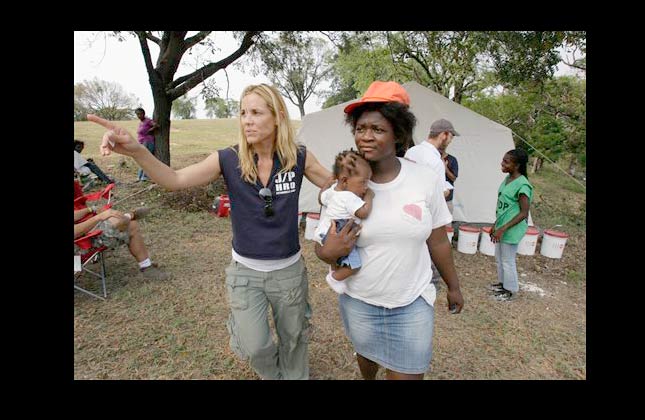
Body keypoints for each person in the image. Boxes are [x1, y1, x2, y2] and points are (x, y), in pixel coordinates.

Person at [87, 83, 332, 380]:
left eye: (256, 112)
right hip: (246, 273)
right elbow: (175, 179)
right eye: (243, 113)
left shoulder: (298, 157)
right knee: (255, 347)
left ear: (278, 115)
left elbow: (334, 185)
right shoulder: (227, 158)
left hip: (289, 271)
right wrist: (138, 151)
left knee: (294, 339)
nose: (247, 120)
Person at [315, 81, 464, 380]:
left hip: (411, 302)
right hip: (360, 301)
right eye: (360, 128)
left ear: (399, 134)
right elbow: (323, 242)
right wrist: (327, 253)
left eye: (378, 129)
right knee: (367, 358)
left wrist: (454, 286)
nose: (366, 137)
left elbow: (437, 241)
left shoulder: (424, 179)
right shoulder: (343, 186)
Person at [404, 118, 460, 290]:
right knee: (432, 251)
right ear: (444, 135)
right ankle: (430, 286)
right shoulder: (435, 160)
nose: (450, 141)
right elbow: (438, 194)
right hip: (427, 215)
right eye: (450, 137)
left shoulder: (412, 152)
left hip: (407, 210)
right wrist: (445, 191)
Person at [314, 149, 373, 289]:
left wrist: (327, 184)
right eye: (363, 183)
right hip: (342, 228)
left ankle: (334, 268)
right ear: (345, 181)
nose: (365, 188)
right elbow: (363, 213)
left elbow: (321, 198)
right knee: (355, 265)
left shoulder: (333, 191)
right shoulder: (349, 197)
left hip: (326, 231)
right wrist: (369, 196)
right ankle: (334, 279)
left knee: (340, 258)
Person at [74, 205, 169, 281]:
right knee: (131, 226)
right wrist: (98, 217)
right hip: (79, 250)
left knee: (121, 222)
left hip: (81, 238)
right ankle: (128, 216)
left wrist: (91, 209)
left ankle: (127, 218)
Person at [489, 149, 533, 301]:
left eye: (506, 162)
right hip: (502, 226)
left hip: (511, 229)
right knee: (499, 258)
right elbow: (505, 207)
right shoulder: (508, 179)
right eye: (503, 160)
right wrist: (495, 225)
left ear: (517, 166)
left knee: (508, 260)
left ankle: (510, 290)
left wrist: (502, 228)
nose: (502, 163)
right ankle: (502, 284)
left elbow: (523, 213)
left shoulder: (523, 185)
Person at [134, 108, 159, 182]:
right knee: (142, 160)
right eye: (137, 114)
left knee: (146, 159)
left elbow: (156, 125)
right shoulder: (141, 122)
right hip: (142, 143)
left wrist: (150, 130)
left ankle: (144, 177)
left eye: (140, 114)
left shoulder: (147, 121)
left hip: (148, 142)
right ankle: (139, 177)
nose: (139, 115)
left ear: (144, 114)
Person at [441, 149, 459, 215]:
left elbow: (453, 178)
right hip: (434, 200)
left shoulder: (452, 159)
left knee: (447, 224)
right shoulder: (432, 159)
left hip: (447, 200)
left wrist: (445, 168)